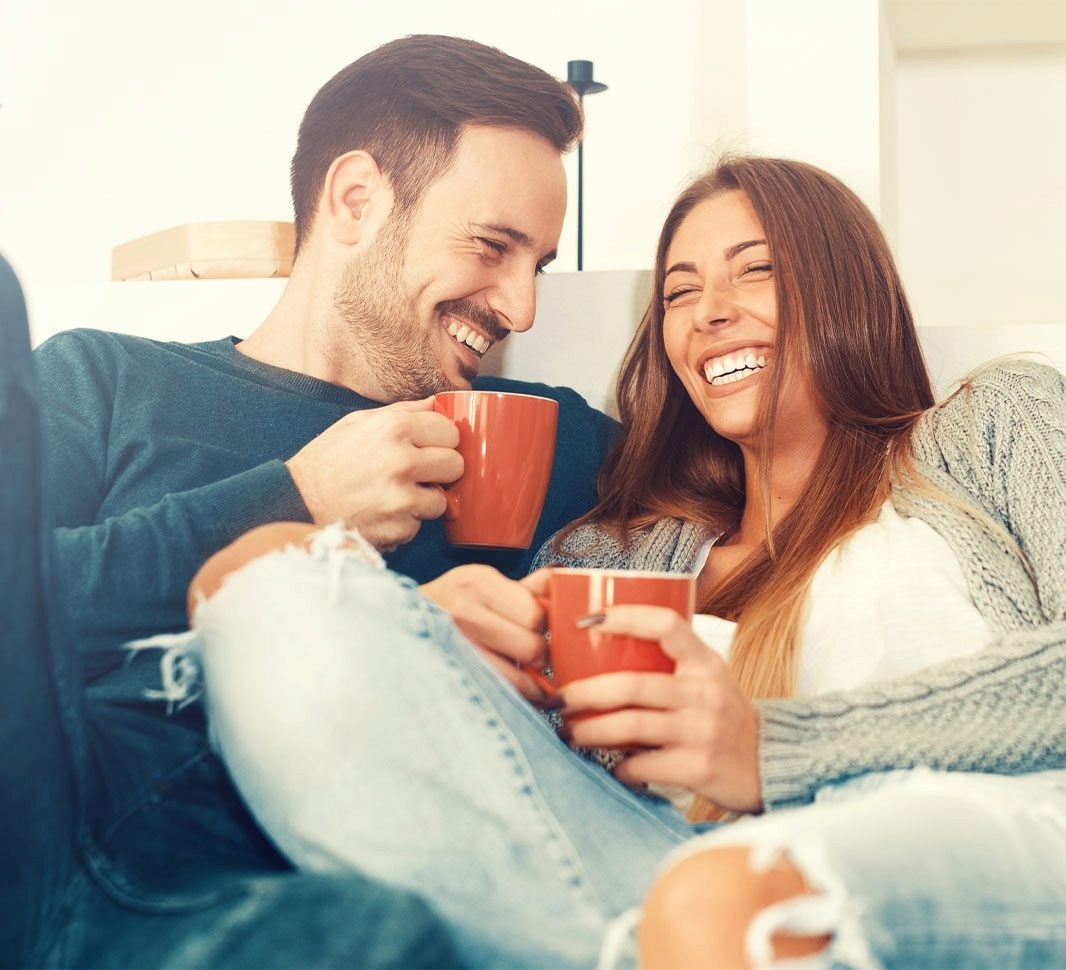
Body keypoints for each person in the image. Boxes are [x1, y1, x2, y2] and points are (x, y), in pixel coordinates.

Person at [182, 156, 1066, 968]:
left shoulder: (992, 424)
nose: (710, 311)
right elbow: (540, 792)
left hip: (985, 847)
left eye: (755, 269)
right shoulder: (611, 551)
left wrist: (773, 749)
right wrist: (450, 647)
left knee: (729, 904)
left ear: (849, 288)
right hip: (673, 885)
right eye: (681, 293)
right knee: (260, 575)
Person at [12, 35, 616, 966]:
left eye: (535, 262)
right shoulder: (103, 383)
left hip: (360, 906)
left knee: (371, 937)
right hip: (86, 863)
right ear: (355, 199)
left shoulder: (539, 439)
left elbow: (789, 483)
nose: (521, 307)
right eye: (494, 247)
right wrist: (296, 498)